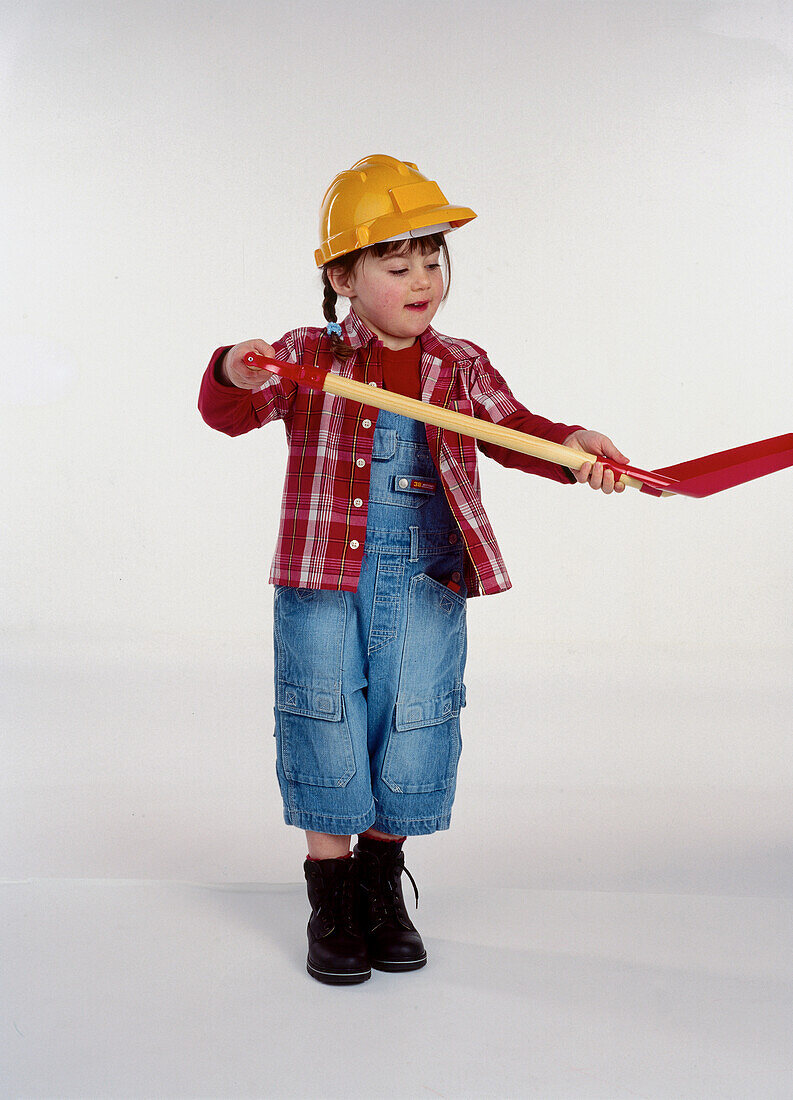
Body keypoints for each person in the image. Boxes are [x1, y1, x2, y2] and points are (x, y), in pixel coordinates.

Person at [198, 154, 629, 986]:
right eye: (396, 264)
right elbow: (229, 412)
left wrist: (572, 449)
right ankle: (331, 896)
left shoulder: (459, 365)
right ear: (341, 276)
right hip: (323, 579)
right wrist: (232, 368)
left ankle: (379, 886)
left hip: (427, 581)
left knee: (411, 720)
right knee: (323, 717)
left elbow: (515, 432)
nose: (422, 277)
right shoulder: (305, 357)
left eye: (431, 259)